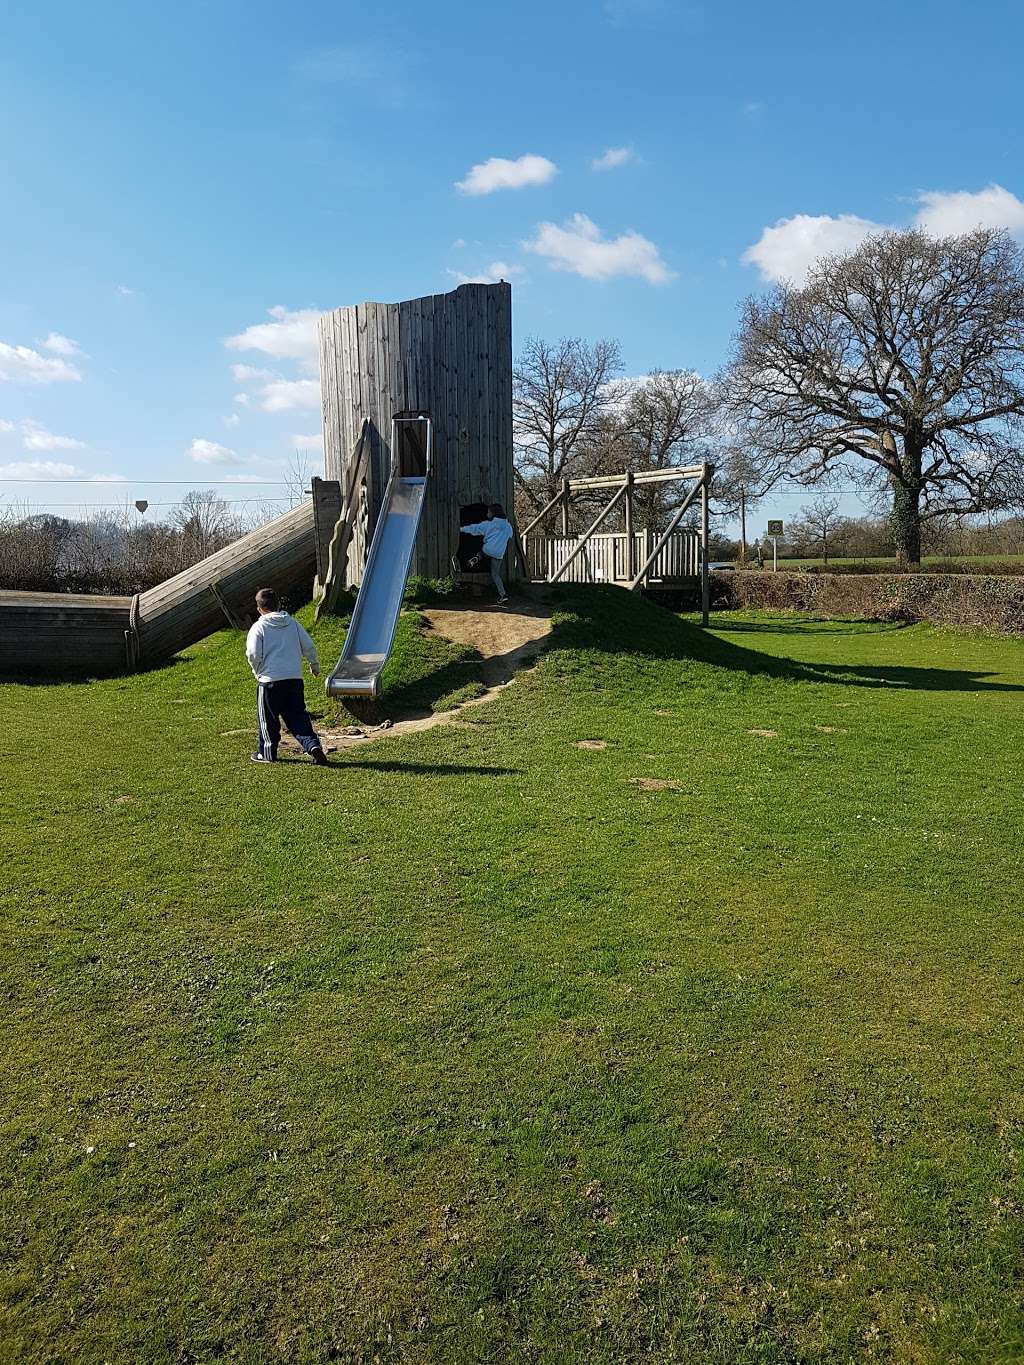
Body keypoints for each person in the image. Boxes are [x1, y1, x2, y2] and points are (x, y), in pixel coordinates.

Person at [245, 588, 328, 766]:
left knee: (268, 719)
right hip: (294, 679)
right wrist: (314, 665)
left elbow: (253, 653)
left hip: (269, 681)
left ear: (259, 608)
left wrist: (257, 670)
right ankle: (313, 746)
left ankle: (267, 753)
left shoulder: (259, 627)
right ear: (279, 605)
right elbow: (308, 645)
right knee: (297, 716)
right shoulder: (292, 623)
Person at [461, 503, 514, 605]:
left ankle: (476, 558)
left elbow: (475, 528)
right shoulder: (508, 526)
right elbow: (510, 536)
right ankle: (503, 595)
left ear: (493, 513)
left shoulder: (489, 524)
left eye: (488, 512)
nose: (487, 513)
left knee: (483, 552)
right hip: (499, 553)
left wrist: (461, 529)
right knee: (495, 574)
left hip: (487, 549)